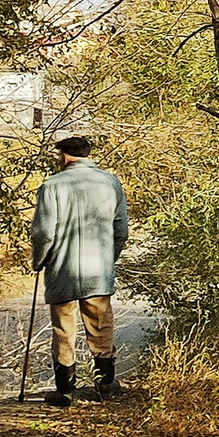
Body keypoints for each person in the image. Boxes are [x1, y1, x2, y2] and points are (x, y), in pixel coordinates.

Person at [30, 135, 129, 406]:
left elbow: (43, 233)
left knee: (64, 329)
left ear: (63, 156)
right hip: (98, 270)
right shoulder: (110, 182)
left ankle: (65, 391)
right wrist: (109, 258)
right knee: (101, 327)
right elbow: (121, 230)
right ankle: (105, 386)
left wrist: (39, 260)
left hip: (62, 268)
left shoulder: (51, 186)